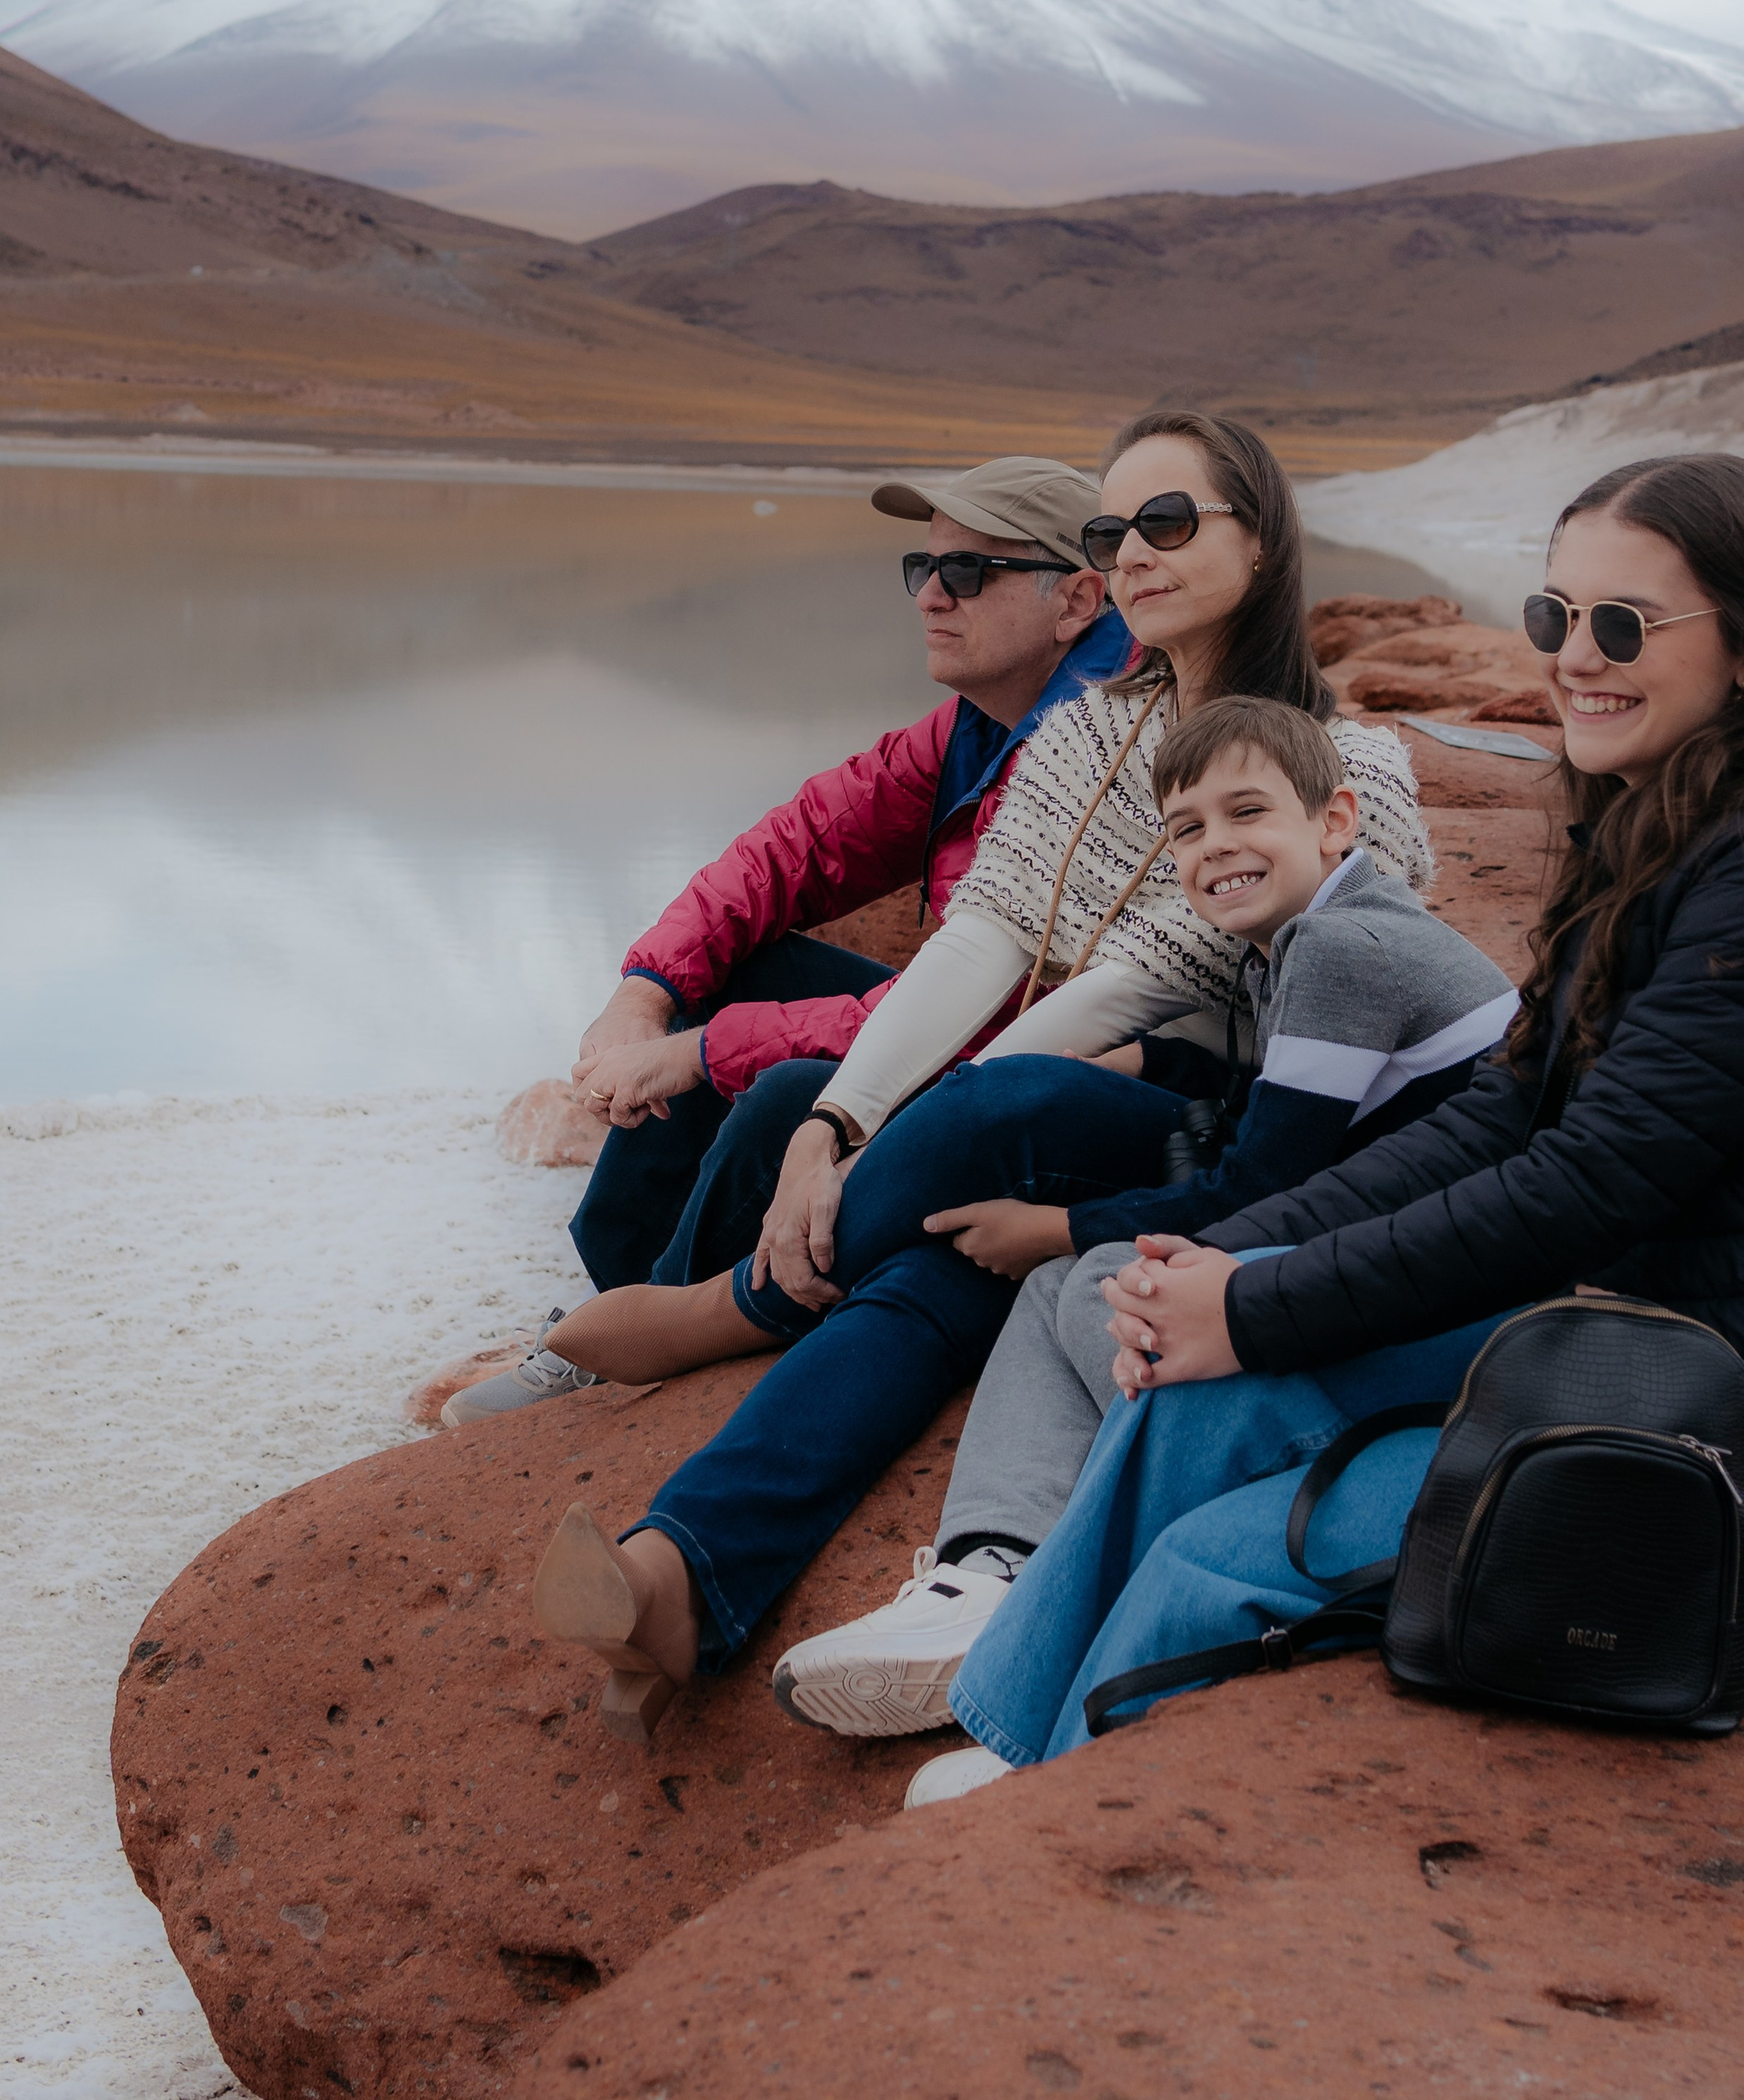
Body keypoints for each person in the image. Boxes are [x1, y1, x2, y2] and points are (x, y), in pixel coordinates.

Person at [913, 450, 1744, 1805]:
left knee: (1227, 1547)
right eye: (1555, 616)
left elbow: (1584, 1186)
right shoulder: (1663, 829)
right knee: (1205, 1386)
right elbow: (1506, 1111)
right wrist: (1221, 1265)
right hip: (1642, 1379)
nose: (1577, 658)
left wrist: (1261, 1303)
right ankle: (1017, 1728)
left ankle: (1049, 1798)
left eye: (1622, 626)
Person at [520, 412, 1434, 1737]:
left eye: (1169, 525)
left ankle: (742, 1300)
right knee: (937, 1263)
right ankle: (675, 1582)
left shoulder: (1356, 769)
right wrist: (839, 1116)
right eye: (1113, 532)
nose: (1134, 556)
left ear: (1265, 537)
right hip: (1073, 1118)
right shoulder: (1077, 738)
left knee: (1002, 1112)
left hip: (1253, 1139)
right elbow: (986, 929)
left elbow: (1149, 974)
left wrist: (908, 1123)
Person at [767, 690, 1517, 1739]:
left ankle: (999, 1578)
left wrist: (1059, 1228)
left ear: (1337, 821)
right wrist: (1151, 1058)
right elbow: (1279, 1105)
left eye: (1249, 812)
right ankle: (991, 1582)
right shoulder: (1319, 935)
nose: (1218, 847)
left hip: (1443, 1298)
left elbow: (1258, 1185)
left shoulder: (1344, 948)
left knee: (1089, 1288)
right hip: (1419, 1258)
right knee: (1080, 1287)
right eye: (1188, 828)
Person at [443, 455, 1125, 1425]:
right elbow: (801, 844)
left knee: (782, 1091)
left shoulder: (1096, 753)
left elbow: (986, 1017)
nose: (931, 596)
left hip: (1058, 1091)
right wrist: (645, 992)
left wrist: (700, 1053)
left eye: (969, 574)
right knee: (737, 975)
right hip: (977, 1051)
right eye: (921, 569)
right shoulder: (983, 724)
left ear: (1078, 599)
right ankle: (619, 1302)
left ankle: (654, 1348)